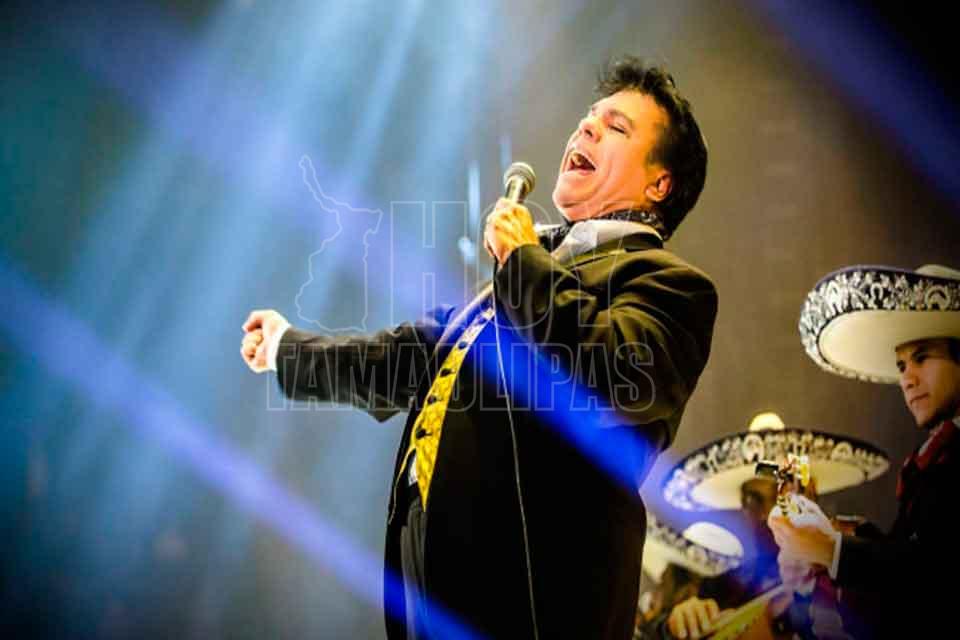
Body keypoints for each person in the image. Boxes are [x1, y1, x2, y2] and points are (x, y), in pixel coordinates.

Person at [241, 56, 717, 640]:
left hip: (539, 599)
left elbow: (615, 378)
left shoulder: (671, 286)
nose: (587, 128)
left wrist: (523, 260)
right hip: (438, 583)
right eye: (588, 118)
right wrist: (288, 350)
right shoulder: (524, 276)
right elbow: (403, 359)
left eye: (616, 126)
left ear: (658, 184)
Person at [773, 264, 960, 637]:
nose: (907, 379)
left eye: (922, 357)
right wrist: (842, 537)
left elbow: (936, 571)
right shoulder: (932, 456)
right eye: (901, 365)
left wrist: (834, 550)